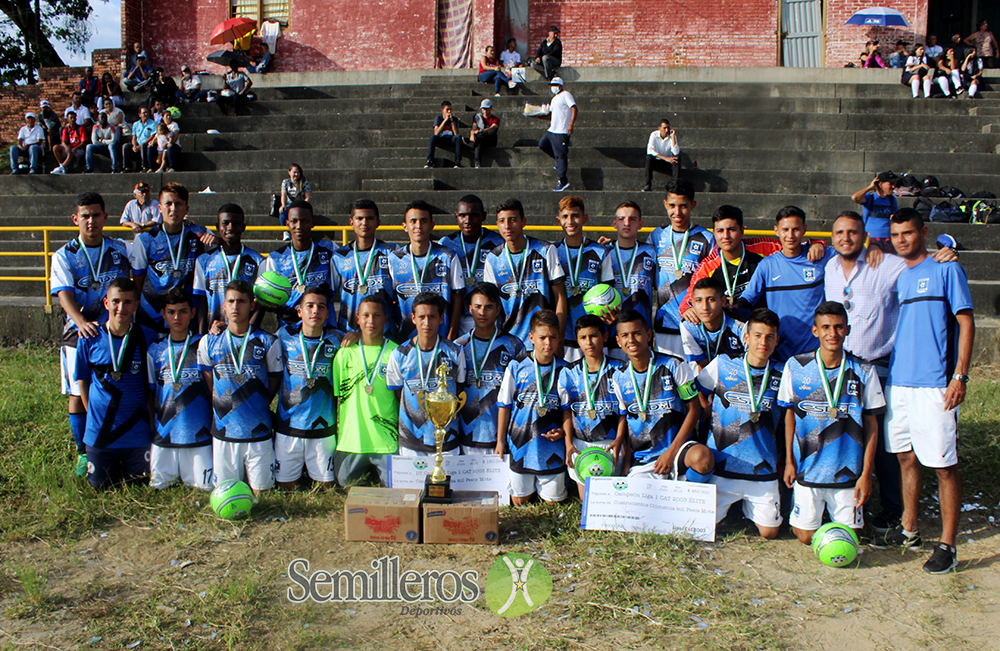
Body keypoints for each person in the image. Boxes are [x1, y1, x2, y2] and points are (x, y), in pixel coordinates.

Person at [823, 210, 958, 534]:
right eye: (839, 232)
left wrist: (949, 251)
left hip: (880, 366)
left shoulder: (888, 264)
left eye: (853, 232)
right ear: (831, 238)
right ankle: (854, 507)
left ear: (865, 235)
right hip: (843, 370)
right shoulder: (828, 266)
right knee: (847, 439)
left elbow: (924, 264)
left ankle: (894, 511)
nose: (846, 238)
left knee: (884, 445)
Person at [879, 208, 974, 574]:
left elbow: (965, 321)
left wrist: (959, 375)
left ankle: (948, 545)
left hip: (935, 384)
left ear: (923, 232)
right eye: (896, 235)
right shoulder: (901, 277)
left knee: (944, 465)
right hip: (899, 382)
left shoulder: (946, 268)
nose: (902, 239)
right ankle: (909, 528)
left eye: (908, 233)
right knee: (905, 458)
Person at [779, 301, 885, 545]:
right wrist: (789, 461)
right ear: (815, 331)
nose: (832, 333)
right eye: (825, 327)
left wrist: (866, 474)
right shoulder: (795, 366)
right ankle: (820, 518)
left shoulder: (863, 370)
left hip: (847, 473)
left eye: (838, 327)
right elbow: (789, 417)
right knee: (805, 537)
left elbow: (872, 426)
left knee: (849, 539)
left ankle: (836, 518)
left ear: (847, 330)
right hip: (808, 469)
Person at [51, 192, 132, 476]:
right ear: (76, 219)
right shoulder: (64, 255)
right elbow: (63, 294)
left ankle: (119, 441)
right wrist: (81, 321)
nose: (91, 221)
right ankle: (83, 451)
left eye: (96, 215)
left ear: (105, 217)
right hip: (81, 334)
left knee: (117, 386)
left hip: (115, 334)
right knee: (78, 391)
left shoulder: (120, 250)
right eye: (85, 216)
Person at [696, 308, 783, 538]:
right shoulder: (722, 364)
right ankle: (732, 506)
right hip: (724, 465)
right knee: (700, 527)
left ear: (777, 340)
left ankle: (744, 508)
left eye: (769, 336)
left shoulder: (782, 374)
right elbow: (698, 391)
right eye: (757, 335)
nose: (763, 342)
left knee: (770, 532)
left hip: (763, 468)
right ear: (746, 337)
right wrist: (707, 413)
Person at [197, 280, 281, 495]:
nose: (236, 307)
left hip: (258, 431)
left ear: (252, 305)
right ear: (224, 305)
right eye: (231, 301)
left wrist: (257, 403)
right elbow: (210, 381)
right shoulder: (208, 342)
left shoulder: (268, 341)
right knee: (225, 493)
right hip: (225, 432)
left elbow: (274, 381)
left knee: (262, 494)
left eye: (241, 302)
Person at [612, 309, 714, 481]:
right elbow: (630, 423)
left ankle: (688, 489)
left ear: (649, 335)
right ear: (618, 341)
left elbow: (694, 410)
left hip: (679, 451)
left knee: (703, 458)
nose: (631, 340)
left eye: (637, 333)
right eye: (625, 335)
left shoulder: (675, 365)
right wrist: (626, 465)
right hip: (645, 459)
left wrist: (671, 452)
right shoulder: (618, 378)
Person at [679, 205, 826, 322]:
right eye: (720, 231)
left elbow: (791, 243)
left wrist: (816, 243)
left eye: (731, 230)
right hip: (729, 327)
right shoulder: (707, 266)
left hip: (763, 327)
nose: (725, 236)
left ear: (742, 231)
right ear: (714, 233)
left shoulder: (763, 247)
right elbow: (688, 300)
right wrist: (687, 309)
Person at [75, 278, 157, 489]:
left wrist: (150, 423)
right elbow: (83, 382)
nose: (122, 308)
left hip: (137, 431)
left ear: (136, 305)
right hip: (101, 431)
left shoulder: (147, 337)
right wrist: (90, 413)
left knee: (140, 485)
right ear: (106, 303)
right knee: (100, 488)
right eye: (116, 301)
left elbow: (151, 387)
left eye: (128, 302)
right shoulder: (89, 337)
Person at [737, 206, 837, 362]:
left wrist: (819, 243)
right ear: (776, 230)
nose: (790, 235)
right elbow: (747, 299)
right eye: (785, 230)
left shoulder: (820, 257)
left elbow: (848, 253)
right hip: (779, 353)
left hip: (815, 353)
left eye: (796, 229)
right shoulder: (767, 265)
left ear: (805, 229)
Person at [497, 309, 568, 504]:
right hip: (521, 447)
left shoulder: (565, 369)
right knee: (519, 502)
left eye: (553, 337)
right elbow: (504, 405)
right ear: (531, 337)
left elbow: (567, 411)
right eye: (542, 337)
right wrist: (500, 441)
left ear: (559, 337)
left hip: (552, 448)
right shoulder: (516, 366)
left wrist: (564, 431)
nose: (548, 343)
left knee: (554, 504)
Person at [146, 287, 213, 490]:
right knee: (158, 487)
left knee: (205, 488)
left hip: (198, 434)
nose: (177, 317)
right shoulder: (155, 349)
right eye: (172, 312)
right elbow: (150, 393)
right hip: (164, 434)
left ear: (192, 313)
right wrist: (152, 426)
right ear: (163, 314)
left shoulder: (203, 345)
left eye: (183, 311)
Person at [274, 289, 341, 489]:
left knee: (326, 487)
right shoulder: (283, 336)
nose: (315, 310)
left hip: (323, 428)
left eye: (321, 306)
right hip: (289, 426)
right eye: (309, 306)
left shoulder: (338, 339)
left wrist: (355, 335)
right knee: (285, 486)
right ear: (299, 312)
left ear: (328, 313)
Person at [386, 292, 466, 457]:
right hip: (411, 438)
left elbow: (459, 387)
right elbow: (397, 393)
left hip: (447, 437)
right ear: (413, 318)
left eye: (432, 316)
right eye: (421, 317)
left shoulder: (455, 352)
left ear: (441, 318)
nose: (427, 322)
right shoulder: (399, 354)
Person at [332, 296, 399, 486]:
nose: (371, 321)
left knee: (394, 487)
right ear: (357, 319)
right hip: (353, 440)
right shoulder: (345, 353)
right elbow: (337, 399)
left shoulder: (396, 353)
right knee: (345, 486)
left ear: (386, 319)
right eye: (366, 315)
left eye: (377, 315)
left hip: (387, 441)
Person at [483, 197, 568, 348]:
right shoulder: (493, 258)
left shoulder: (545, 250)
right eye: (502, 221)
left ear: (524, 222)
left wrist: (558, 337)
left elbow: (560, 296)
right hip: (508, 341)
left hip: (542, 342)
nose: (507, 226)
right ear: (497, 224)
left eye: (513, 220)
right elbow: (489, 303)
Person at [557, 315, 625, 498]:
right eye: (583, 337)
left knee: (611, 500)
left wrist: (619, 439)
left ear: (605, 336)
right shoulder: (568, 372)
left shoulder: (620, 370)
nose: (589, 342)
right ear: (577, 340)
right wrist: (569, 443)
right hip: (581, 444)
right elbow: (566, 412)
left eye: (594, 336)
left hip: (610, 443)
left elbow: (624, 412)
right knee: (587, 500)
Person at [131, 183, 213, 331]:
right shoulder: (145, 240)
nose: (173, 209)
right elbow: (138, 280)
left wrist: (216, 240)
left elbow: (221, 250)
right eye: (168, 204)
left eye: (179, 204)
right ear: (159, 208)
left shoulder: (199, 233)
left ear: (187, 209)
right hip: (151, 316)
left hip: (187, 317)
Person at [455, 282, 523, 455]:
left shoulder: (514, 346)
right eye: (478, 307)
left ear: (498, 310)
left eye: (489, 307)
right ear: (470, 309)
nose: (482, 312)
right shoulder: (458, 347)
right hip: (465, 435)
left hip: (501, 439)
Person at [650, 180, 715, 355]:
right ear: (665, 204)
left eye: (683, 206)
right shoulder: (656, 236)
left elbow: (711, 281)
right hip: (665, 321)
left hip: (695, 322)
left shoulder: (706, 238)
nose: (677, 212)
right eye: (672, 205)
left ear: (693, 205)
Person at [388, 200, 465, 339]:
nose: (418, 226)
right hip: (406, 339)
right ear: (405, 226)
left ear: (432, 225)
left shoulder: (448, 256)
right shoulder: (394, 259)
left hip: (441, 337)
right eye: (413, 221)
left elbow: (457, 298)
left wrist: (451, 335)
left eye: (423, 221)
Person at [262, 200, 340, 329]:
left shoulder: (329, 249)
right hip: (289, 330)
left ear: (312, 223)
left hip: (324, 328)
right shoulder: (276, 258)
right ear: (287, 224)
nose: (299, 226)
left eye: (305, 221)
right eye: (294, 221)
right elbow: (271, 300)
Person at [438, 194, 504, 335]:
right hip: (457, 318)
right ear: (456, 216)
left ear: (483, 216)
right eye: (463, 215)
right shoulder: (446, 243)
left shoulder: (497, 243)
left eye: (473, 215)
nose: (468, 221)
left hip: (489, 316)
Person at [193, 203, 263, 334]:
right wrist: (202, 336)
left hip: (245, 336)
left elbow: (259, 304)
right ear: (217, 227)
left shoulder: (258, 261)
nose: (230, 227)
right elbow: (202, 304)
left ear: (243, 227)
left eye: (236, 223)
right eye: (225, 223)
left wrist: (247, 332)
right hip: (214, 333)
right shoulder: (203, 261)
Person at [332, 199, 397, 334]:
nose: (364, 223)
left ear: (378, 222)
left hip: (385, 333)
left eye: (369, 218)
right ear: (351, 222)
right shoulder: (339, 256)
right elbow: (328, 296)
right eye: (359, 218)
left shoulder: (392, 252)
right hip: (348, 333)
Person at [554, 196, 606, 360]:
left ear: (585, 218)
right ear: (558, 220)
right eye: (565, 216)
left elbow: (608, 291)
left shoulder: (600, 251)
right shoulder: (551, 251)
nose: (570, 221)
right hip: (562, 337)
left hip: (591, 338)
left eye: (575, 216)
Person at [599, 200, 658, 341]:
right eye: (621, 219)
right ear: (614, 223)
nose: (627, 223)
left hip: (642, 333)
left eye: (632, 219)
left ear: (640, 225)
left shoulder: (651, 252)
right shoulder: (604, 252)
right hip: (611, 332)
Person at [681, 278, 746, 370]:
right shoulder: (688, 326)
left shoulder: (741, 323)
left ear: (723, 301)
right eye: (699, 300)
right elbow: (702, 366)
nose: (705, 307)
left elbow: (754, 362)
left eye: (711, 300)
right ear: (693, 303)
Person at [536, 77, 576, 192]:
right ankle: (560, 162)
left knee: (561, 156)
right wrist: (538, 116)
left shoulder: (566, 95)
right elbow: (551, 115)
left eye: (555, 85)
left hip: (562, 131)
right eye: (552, 85)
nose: (553, 87)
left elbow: (574, 108)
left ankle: (563, 181)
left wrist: (571, 124)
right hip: (552, 130)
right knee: (542, 145)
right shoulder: (554, 99)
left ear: (560, 85)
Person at [851, 171, 899, 250]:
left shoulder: (891, 199)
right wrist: (870, 187)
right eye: (890, 184)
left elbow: (896, 216)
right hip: (870, 239)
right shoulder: (870, 197)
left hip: (888, 238)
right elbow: (855, 198)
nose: (893, 186)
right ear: (881, 185)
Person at [643, 119, 680, 191]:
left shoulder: (672, 137)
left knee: (677, 158)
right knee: (649, 158)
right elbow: (650, 151)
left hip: (668, 163)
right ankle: (648, 184)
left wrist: (673, 138)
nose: (666, 130)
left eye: (668, 128)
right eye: (664, 128)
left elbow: (676, 152)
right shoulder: (653, 135)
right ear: (659, 128)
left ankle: (675, 185)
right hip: (657, 161)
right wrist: (666, 158)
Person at [425, 101, 463, 168]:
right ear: (442, 110)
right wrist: (445, 120)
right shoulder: (438, 119)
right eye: (447, 109)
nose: (449, 111)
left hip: (451, 139)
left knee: (458, 137)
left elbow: (456, 133)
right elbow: (436, 133)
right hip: (442, 139)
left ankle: (458, 161)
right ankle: (430, 161)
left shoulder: (455, 119)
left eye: (450, 109)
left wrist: (451, 121)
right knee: (432, 137)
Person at [84, 110, 120, 174]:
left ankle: (115, 168)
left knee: (111, 146)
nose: (103, 119)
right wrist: (105, 142)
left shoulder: (111, 127)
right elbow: (94, 141)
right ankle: (90, 168)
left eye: (105, 118)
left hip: (111, 147)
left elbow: (114, 141)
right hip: (101, 146)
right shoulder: (95, 127)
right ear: (98, 119)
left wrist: (102, 140)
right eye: (102, 118)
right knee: (89, 146)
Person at [125, 106, 157, 173]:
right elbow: (134, 136)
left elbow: (153, 136)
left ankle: (144, 166)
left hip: (147, 143)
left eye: (147, 113)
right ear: (139, 115)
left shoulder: (153, 123)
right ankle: (127, 167)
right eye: (144, 113)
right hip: (138, 144)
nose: (145, 114)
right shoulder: (136, 124)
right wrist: (134, 145)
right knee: (125, 146)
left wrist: (143, 143)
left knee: (143, 145)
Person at [469, 99, 500, 169]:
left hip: (490, 140)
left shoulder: (495, 119)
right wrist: (472, 134)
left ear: (491, 108)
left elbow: (493, 127)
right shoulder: (477, 118)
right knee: (479, 141)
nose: (485, 111)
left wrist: (483, 131)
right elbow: (473, 128)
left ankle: (468, 140)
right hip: (481, 140)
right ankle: (477, 162)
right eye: (483, 109)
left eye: (487, 109)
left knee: (491, 133)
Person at [279, 164, 312, 228]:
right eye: (294, 172)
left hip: (301, 204)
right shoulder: (285, 182)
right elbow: (283, 194)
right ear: (289, 172)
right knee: (282, 211)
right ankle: (285, 231)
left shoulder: (304, 182)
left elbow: (307, 197)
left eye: (298, 172)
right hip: (289, 205)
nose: (296, 174)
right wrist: (283, 205)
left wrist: (303, 205)